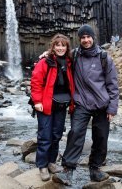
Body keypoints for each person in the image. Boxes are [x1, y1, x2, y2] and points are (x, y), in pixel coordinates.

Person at [52, 24, 119, 186]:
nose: (86, 40)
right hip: (81, 102)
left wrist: (112, 107)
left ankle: (95, 169)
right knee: (75, 133)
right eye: (82, 37)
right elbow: (57, 58)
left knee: (101, 137)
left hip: (102, 104)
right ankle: (68, 170)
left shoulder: (104, 58)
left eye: (88, 37)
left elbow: (113, 84)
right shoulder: (74, 56)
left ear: (93, 38)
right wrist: (45, 55)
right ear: (79, 39)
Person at [31, 33, 75, 181]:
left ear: (67, 47)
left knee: (56, 135)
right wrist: (37, 101)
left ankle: (51, 162)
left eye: (63, 45)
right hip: (45, 104)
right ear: (53, 46)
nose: (60, 48)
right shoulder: (45, 61)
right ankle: (42, 166)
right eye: (58, 45)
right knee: (45, 136)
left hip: (61, 105)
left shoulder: (69, 62)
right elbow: (36, 82)